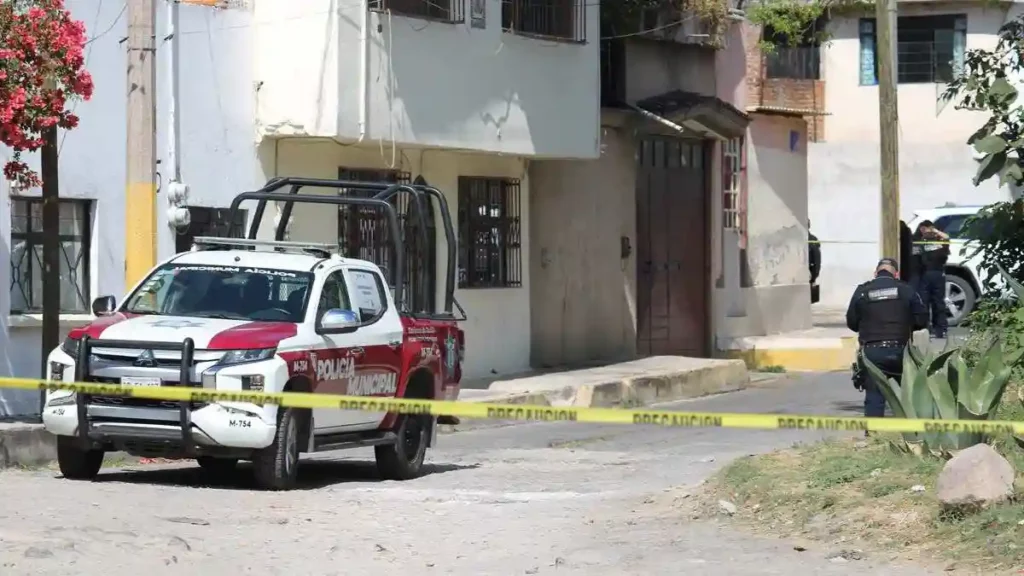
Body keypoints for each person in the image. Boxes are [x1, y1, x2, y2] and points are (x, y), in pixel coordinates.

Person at [846, 258, 928, 421]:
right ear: (896, 274)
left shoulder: (862, 291)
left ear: (876, 273)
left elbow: (852, 322)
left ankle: (874, 436)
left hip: (872, 352)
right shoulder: (906, 290)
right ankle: (911, 438)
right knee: (907, 396)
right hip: (901, 352)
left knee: (874, 396)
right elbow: (922, 320)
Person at [914, 220, 951, 339]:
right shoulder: (920, 241)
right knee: (924, 303)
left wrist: (933, 230)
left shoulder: (939, 240)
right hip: (925, 274)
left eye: (926, 229)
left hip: (937, 273)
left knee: (938, 303)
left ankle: (940, 329)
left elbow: (947, 237)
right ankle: (925, 329)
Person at [808, 219, 821, 303]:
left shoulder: (812, 240)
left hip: (808, 277)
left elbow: (817, 260)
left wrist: (813, 278)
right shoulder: (812, 239)